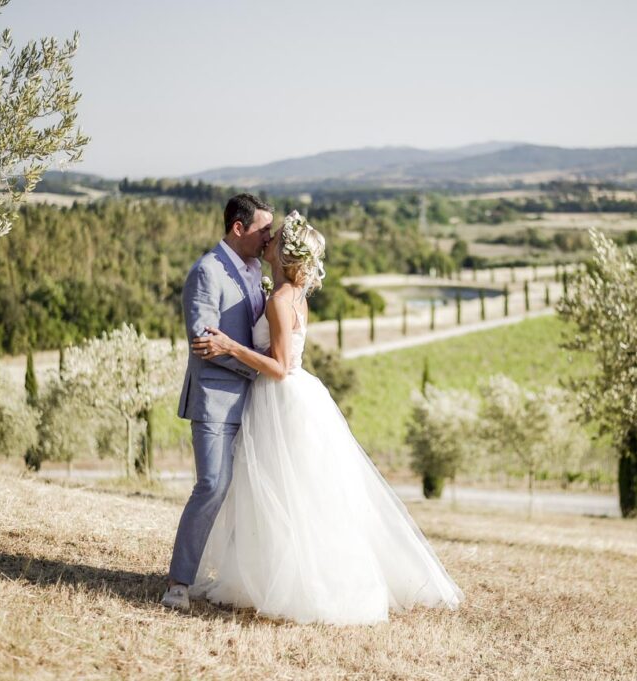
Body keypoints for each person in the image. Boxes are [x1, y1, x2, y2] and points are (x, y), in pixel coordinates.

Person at [188, 210, 463, 625]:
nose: (268, 240)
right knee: (288, 494)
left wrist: (230, 346)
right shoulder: (293, 296)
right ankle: (268, 578)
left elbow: (280, 367)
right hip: (291, 398)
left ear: (286, 253)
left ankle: (300, 586)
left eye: (275, 238)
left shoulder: (280, 300)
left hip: (280, 397)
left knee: (286, 493)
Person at [161, 193, 273, 611]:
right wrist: (259, 367)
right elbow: (203, 342)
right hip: (215, 399)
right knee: (212, 485)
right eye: (263, 229)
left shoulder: (257, 269)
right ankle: (178, 583)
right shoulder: (207, 271)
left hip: (256, 402)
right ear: (238, 228)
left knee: (248, 493)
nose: (269, 237)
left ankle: (238, 581)